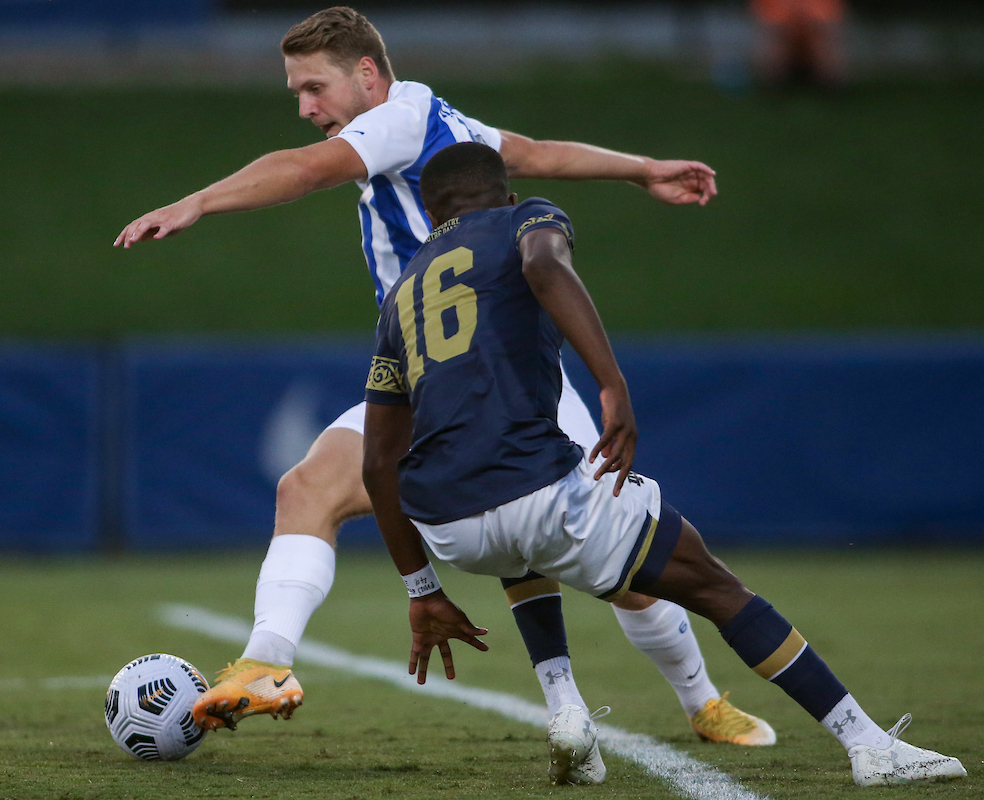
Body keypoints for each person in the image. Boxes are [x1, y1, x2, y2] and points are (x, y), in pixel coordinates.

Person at [114, 6, 773, 748]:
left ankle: (702, 700)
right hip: (434, 383)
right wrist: (642, 169)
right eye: (296, 93)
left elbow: (302, 171)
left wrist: (197, 200)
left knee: (625, 569)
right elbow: (536, 152)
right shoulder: (436, 121)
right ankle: (267, 659)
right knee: (307, 488)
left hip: (509, 383)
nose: (305, 108)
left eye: (313, 87)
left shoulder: (396, 120)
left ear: (368, 74)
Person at [360, 141, 967, 787]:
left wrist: (421, 590)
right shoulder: (524, 219)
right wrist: (612, 384)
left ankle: (565, 708)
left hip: (449, 525)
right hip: (532, 488)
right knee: (713, 585)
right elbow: (542, 265)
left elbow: (376, 463)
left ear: (429, 217)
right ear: (505, 195)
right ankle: (867, 744)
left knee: (523, 541)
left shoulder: (400, 294)